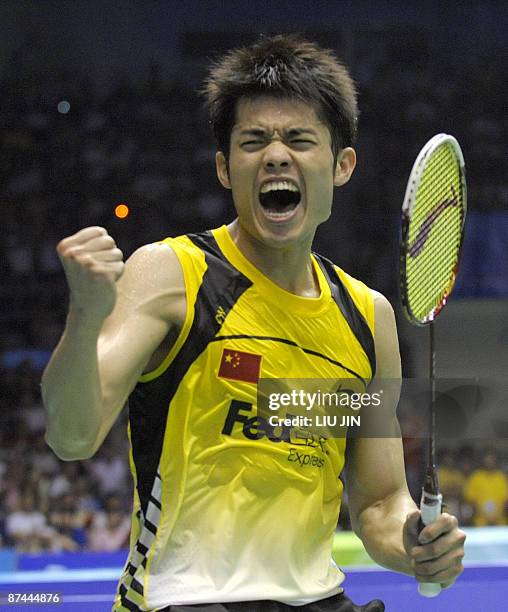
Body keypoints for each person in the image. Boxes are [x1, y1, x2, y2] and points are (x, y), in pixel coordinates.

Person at [42, 35, 466, 612]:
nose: (275, 155)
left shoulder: (369, 317)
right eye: (252, 141)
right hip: (185, 601)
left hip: (319, 598)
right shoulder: (174, 275)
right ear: (225, 168)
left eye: (298, 139)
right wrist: (86, 319)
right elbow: (71, 437)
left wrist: (417, 542)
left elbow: (380, 503)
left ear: (342, 165)